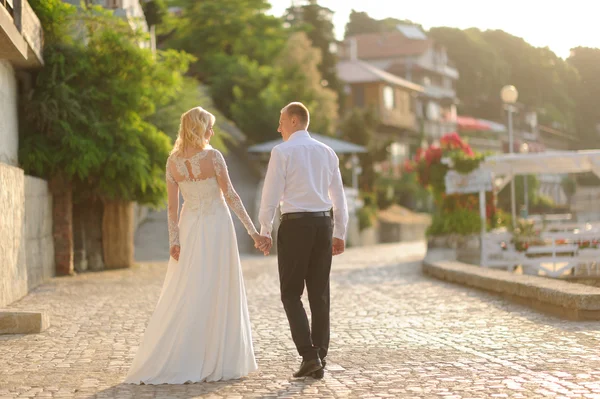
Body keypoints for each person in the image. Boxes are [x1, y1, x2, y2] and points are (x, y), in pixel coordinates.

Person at [125, 106, 267, 384]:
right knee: (217, 287)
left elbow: (171, 207)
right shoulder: (213, 157)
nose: (212, 132)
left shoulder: (173, 162)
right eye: (209, 127)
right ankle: (216, 357)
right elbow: (233, 196)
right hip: (217, 227)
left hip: (190, 226)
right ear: (200, 129)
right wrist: (253, 232)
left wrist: (174, 240)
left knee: (191, 286)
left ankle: (185, 353)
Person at [257, 102, 349, 379]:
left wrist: (264, 229)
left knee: (290, 293)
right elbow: (339, 198)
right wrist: (340, 232)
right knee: (319, 293)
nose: (278, 127)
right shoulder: (327, 151)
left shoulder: (281, 151)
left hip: (296, 226)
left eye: (281, 121)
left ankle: (309, 357)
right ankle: (319, 355)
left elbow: (270, 193)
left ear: (295, 121)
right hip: (323, 225)